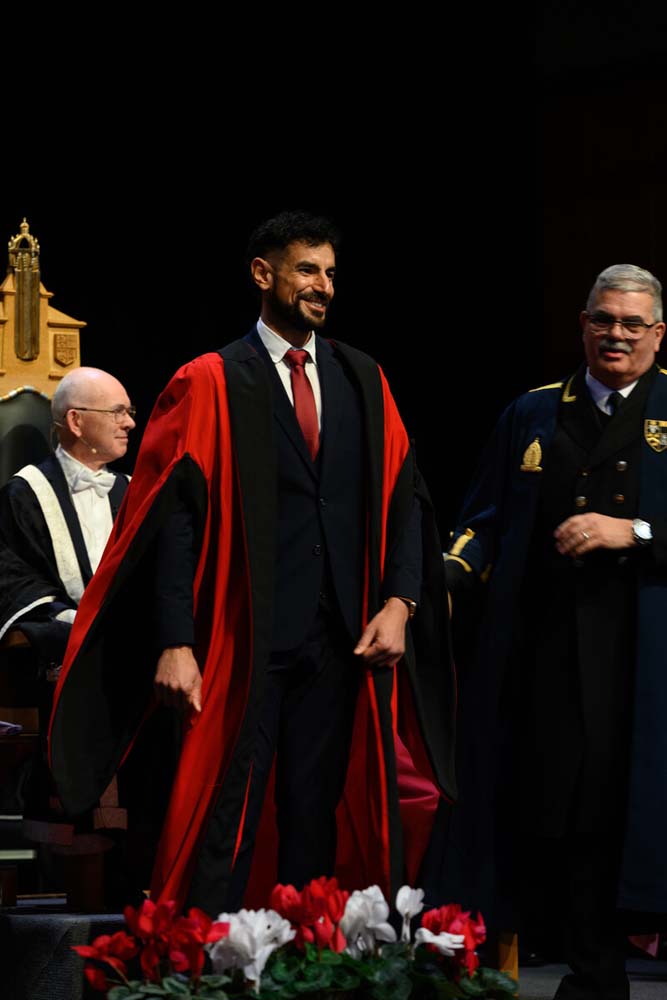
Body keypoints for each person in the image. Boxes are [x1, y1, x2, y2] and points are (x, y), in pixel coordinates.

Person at [49, 211, 455, 918]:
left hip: (340, 639)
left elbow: (405, 500)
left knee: (314, 814)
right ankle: (206, 957)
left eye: (330, 273)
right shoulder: (211, 380)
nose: (323, 286)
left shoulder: (361, 377)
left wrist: (401, 603)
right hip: (243, 639)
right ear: (263, 274)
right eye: (307, 269)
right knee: (225, 813)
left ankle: (303, 953)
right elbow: (171, 525)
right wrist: (176, 641)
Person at [443, 263, 667, 1000]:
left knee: (635, 808)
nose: (616, 334)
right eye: (603, 319)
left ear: (658, 334)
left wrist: (633, 530)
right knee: (558, 812)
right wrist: (438, 583)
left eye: (632, 323)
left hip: (646, 653)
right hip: (546, 651)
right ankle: (587, 970)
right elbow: (483, 520)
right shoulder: (533, 412)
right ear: (582, 325)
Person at [0, 366, 135, 660]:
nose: (130, 423)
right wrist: (71, 617)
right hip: (60, 653)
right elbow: (15, 577)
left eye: (129, 411)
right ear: (76, 421)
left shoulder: (133, 491)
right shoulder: (25, 494)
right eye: (117, 412)